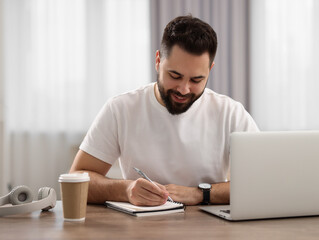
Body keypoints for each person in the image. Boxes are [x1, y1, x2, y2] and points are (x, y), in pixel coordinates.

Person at [70, 15, 259, 206]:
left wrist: (200, 194)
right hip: (143, 229)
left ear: (210, 70)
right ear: (158, 61)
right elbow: (76, 179)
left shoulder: (230, 113)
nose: (184, 89)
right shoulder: (121, 109)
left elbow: (260, 183)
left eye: (196, 80)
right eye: (175, 75)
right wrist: (125, 190)